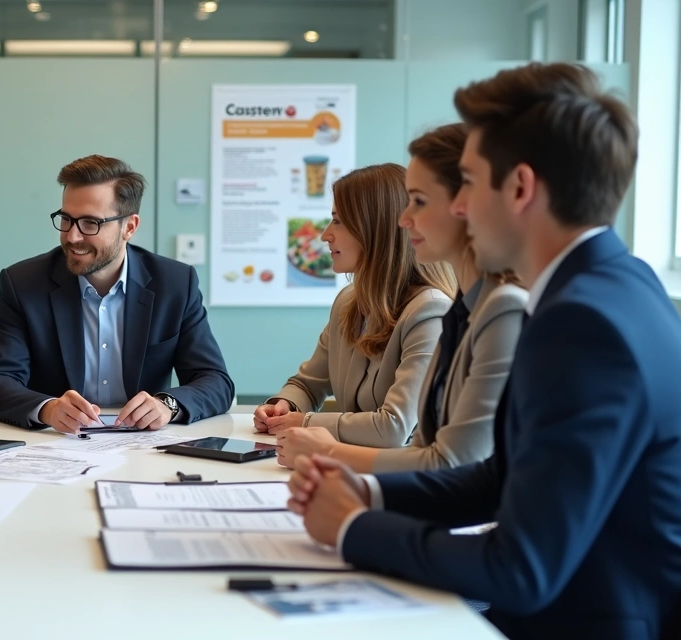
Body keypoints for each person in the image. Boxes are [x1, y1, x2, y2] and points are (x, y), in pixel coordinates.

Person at [288, 63, 681, 640]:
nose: (459, 208)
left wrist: (352, 528)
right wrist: (367, 492)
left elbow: (520, 569)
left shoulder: (580, 324)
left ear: (520, 188)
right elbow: (506, 477)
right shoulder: (621, 283)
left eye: (467, 182)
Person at [275, 125, 527, 471]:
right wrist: (288, 409)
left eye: (420, 202)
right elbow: (431, 452)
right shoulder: (459, 308)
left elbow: (427, 449)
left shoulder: (459, 309)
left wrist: (319, 443)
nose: (405, 220)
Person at [0, 155, 234, 432]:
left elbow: (215, 381)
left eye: (90, 223)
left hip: (144, 443)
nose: (72, 236)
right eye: (66, 219)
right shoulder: (23, 283)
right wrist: (48, 408)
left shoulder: (174, 284)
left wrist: (167, 405)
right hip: (55, 440)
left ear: (129, 227)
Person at [254, 163, 454, 458]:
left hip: (399, 475)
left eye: (338, 221)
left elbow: (393, 428)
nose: (325, 235)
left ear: (376, 229)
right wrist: (283, 406)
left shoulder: (430, 312)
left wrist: (305, 422)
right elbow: (307, 384)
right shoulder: (348, 302)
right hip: (350, 467)